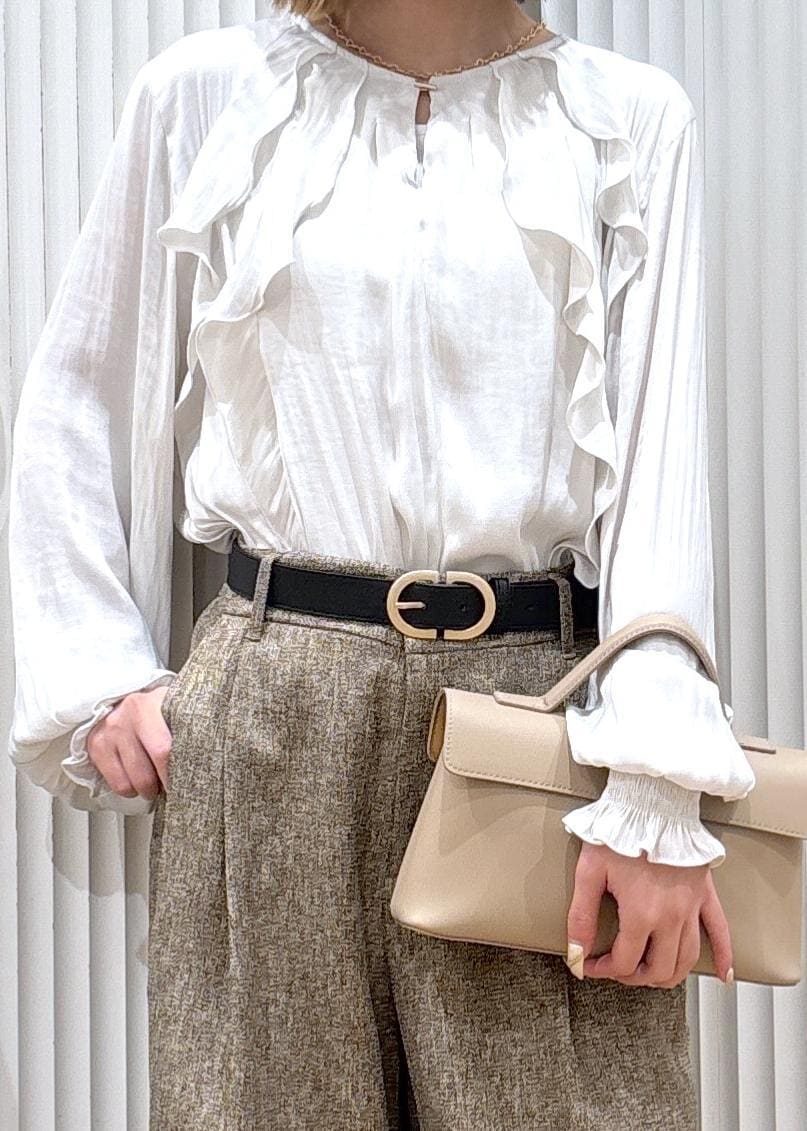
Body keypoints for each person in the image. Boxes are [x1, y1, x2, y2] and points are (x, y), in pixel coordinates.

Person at [7, 0, 757, 1127]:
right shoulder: (209, 96)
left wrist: (654, 789)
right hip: (276, 714)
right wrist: (96, 673)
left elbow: (661, 463)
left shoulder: (626, 118)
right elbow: (78, 395)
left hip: (538, 727)